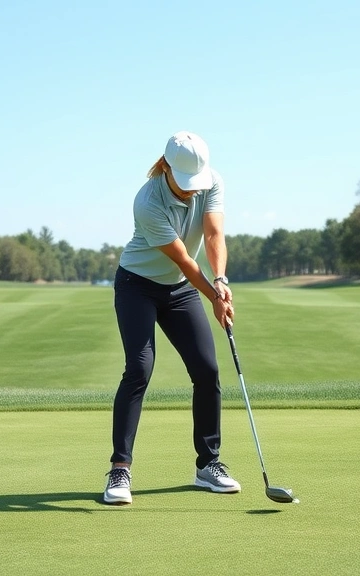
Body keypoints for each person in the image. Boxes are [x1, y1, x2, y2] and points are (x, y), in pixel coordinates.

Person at [103, 131, 238, 505]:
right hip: (138, 286)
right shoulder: (147, 201)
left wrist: (222, 281)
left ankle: (208, 465)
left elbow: (213, 235)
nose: (192, 191)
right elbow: (184, 259)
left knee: (207, 369)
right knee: (140, 368)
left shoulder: (211, 182)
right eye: (185, 185)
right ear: (165, 167)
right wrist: (213, 296)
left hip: (179, 290)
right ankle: (119, 469)